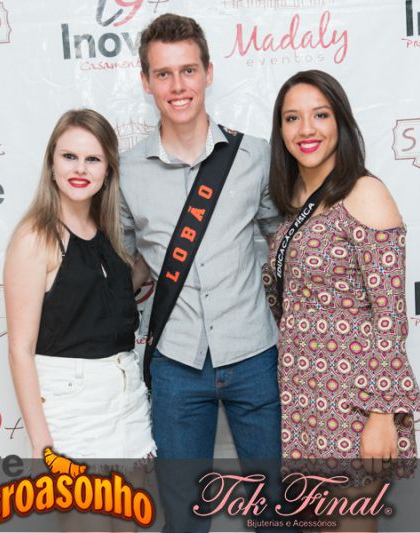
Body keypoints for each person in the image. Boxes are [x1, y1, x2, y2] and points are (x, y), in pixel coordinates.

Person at [119, 12, 286, 531]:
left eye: (188, 70)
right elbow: (119, 263)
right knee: (185, 520)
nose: (178, 86)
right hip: (175, 364)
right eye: (164, 74)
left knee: (277, 512)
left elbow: (285, 243)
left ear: (208, 72)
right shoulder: (125, 172)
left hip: (254, 355)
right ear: (146, 81)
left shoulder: (255, 156)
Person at [264, 70, 420, 467]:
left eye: (320, 115)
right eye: (292, 118)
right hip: (304, 394)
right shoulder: (295, 201)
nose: (306, 129)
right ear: (281, 130)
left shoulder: (365, 192)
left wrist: (382, 414)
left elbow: (390, 315)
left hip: (355, 398)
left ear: (341, 123)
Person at [4, 109, 155, 463]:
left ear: (108, 170)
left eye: (93, 159)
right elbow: (20, 350)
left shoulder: (106, 233)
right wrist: (41, 444)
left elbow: (101, 297)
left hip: (128, 400)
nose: (80, 169)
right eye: (69, 156)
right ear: (51, 164)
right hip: (71, 411)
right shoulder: (35, 238)